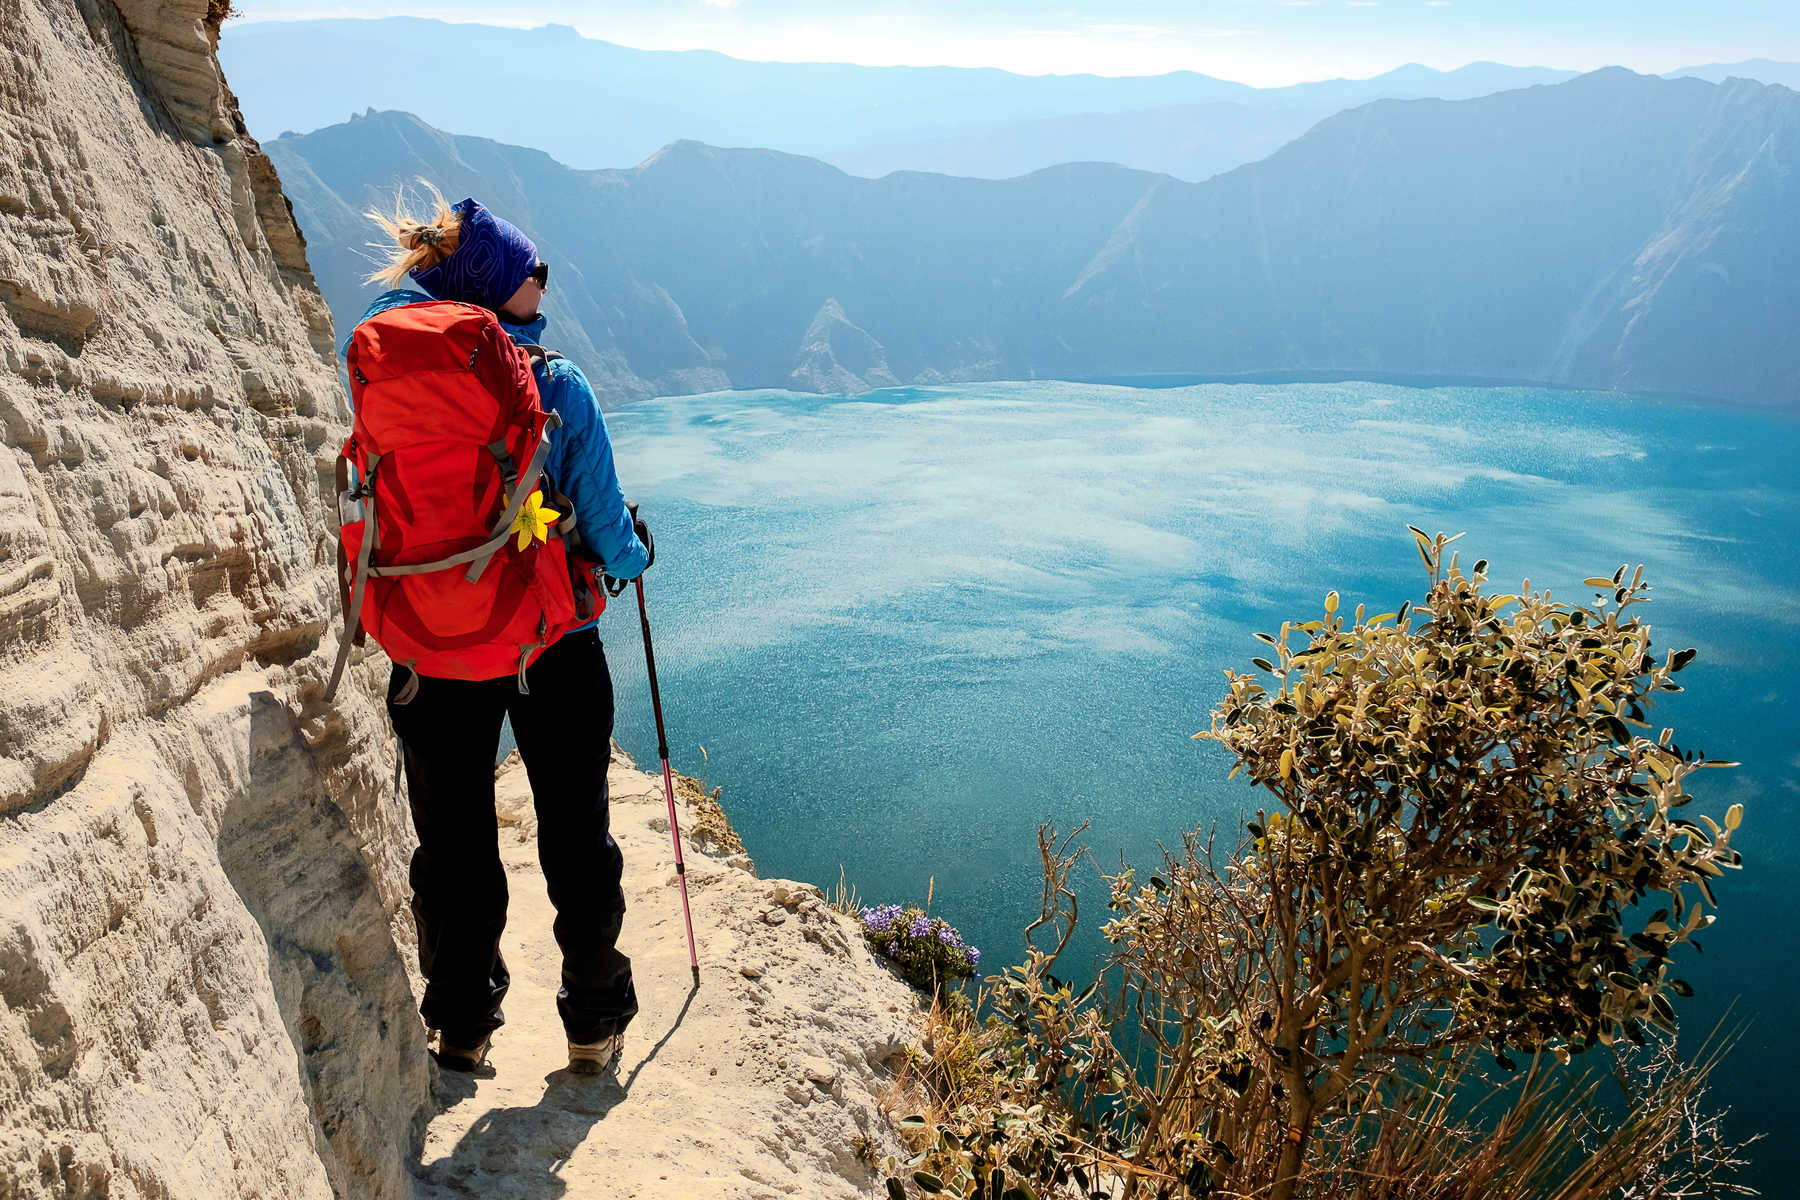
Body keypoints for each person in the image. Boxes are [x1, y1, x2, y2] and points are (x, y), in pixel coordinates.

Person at [352, 185, 653, 1076]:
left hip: (429, 645)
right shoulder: (555, 383)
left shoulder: (379, 371)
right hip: (550, 645)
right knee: (575, 833)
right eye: (533, 272)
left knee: (453, 844)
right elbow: (609, 538)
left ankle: (461, 1026)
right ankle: (593, 1024)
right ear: (494, 285)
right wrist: (639, 552)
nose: (543, 287)